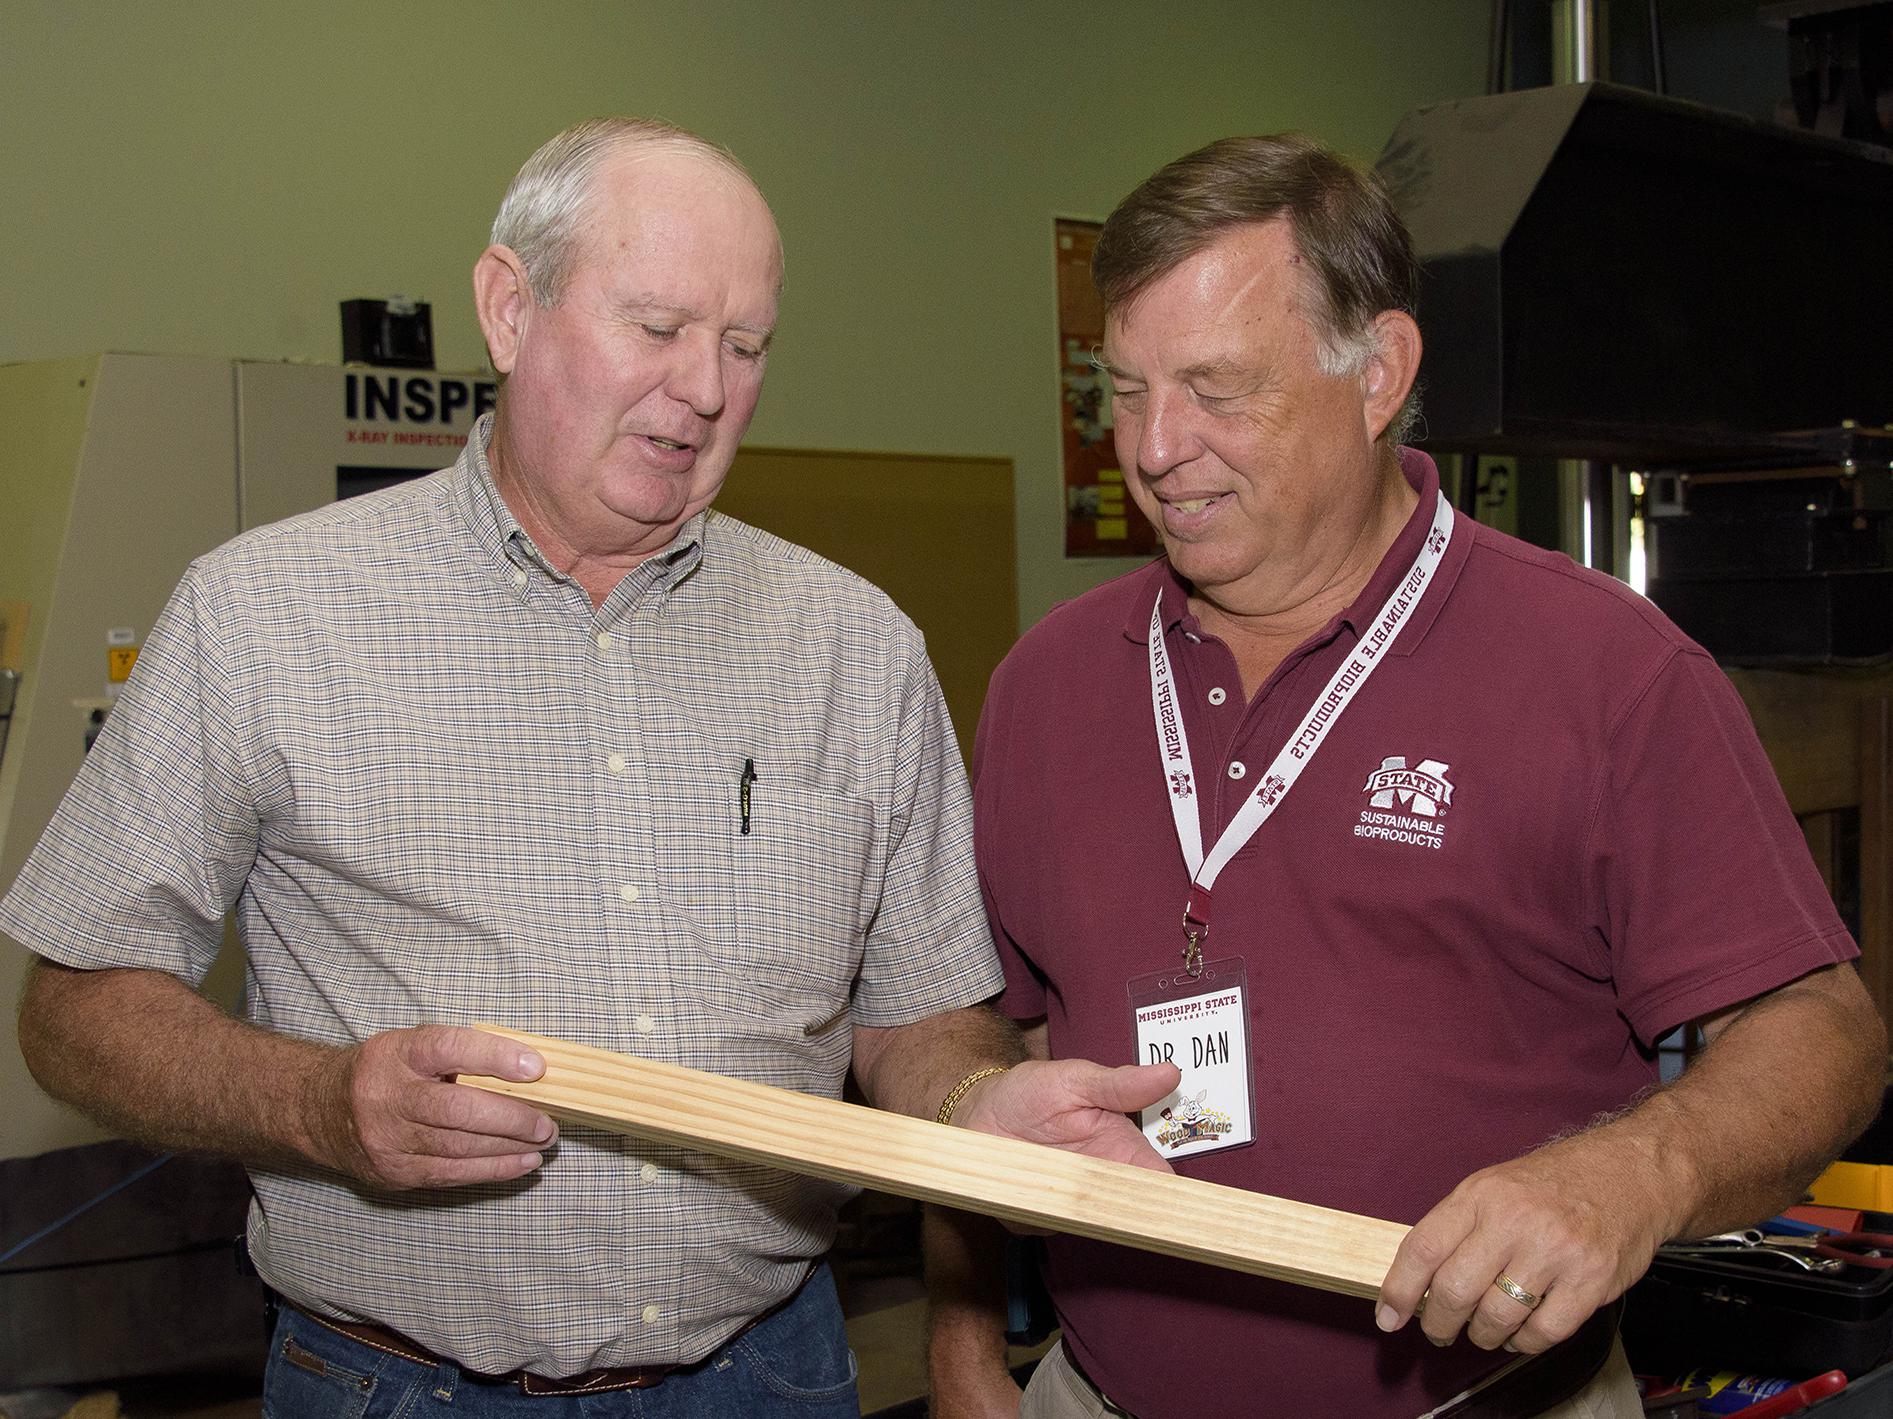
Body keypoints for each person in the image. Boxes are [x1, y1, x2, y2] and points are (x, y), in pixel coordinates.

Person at [4, 117, 1174, 1417]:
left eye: (744, 345)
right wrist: (319, 1100)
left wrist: (974, 1099)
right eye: (657, 326)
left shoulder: (854, 647)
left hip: (769, 1373)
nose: (706, 386)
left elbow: (914, 1015)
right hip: (395, 1382)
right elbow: (74, 1003)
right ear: (509, 308)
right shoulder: (264, 615)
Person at [926, 133, 1886, 1419]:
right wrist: (963, 1342)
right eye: (1129, 388)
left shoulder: (1606, 671)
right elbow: (995, 1045)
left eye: (1219, 387)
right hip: (1094, 1397)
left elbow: (1823, 1033)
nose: (1155, 449)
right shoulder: (1046, 687)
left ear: (1380, 372)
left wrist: (1627, 1179)